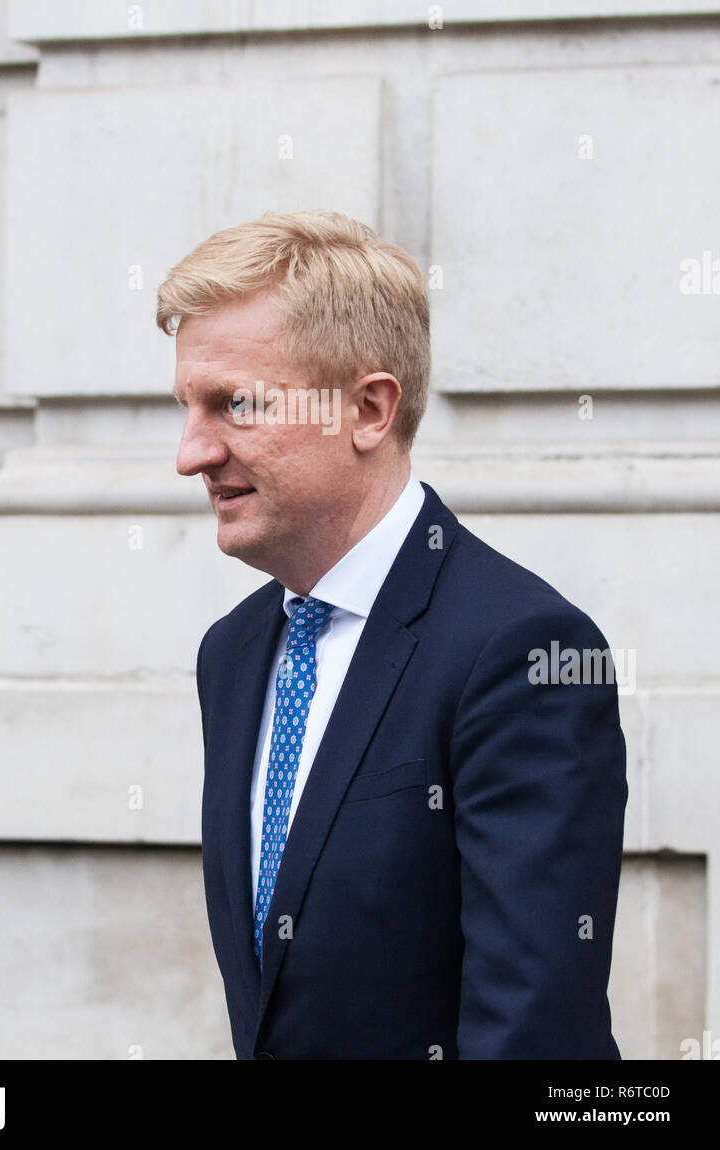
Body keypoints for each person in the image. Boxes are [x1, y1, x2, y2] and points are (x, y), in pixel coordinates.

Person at [156, 210, 627, 1061]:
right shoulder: (232, 653)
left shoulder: (525, 652)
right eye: (188, 406)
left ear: (368, 409)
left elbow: (534, 1035)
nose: (191, 453)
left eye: (235, 404)